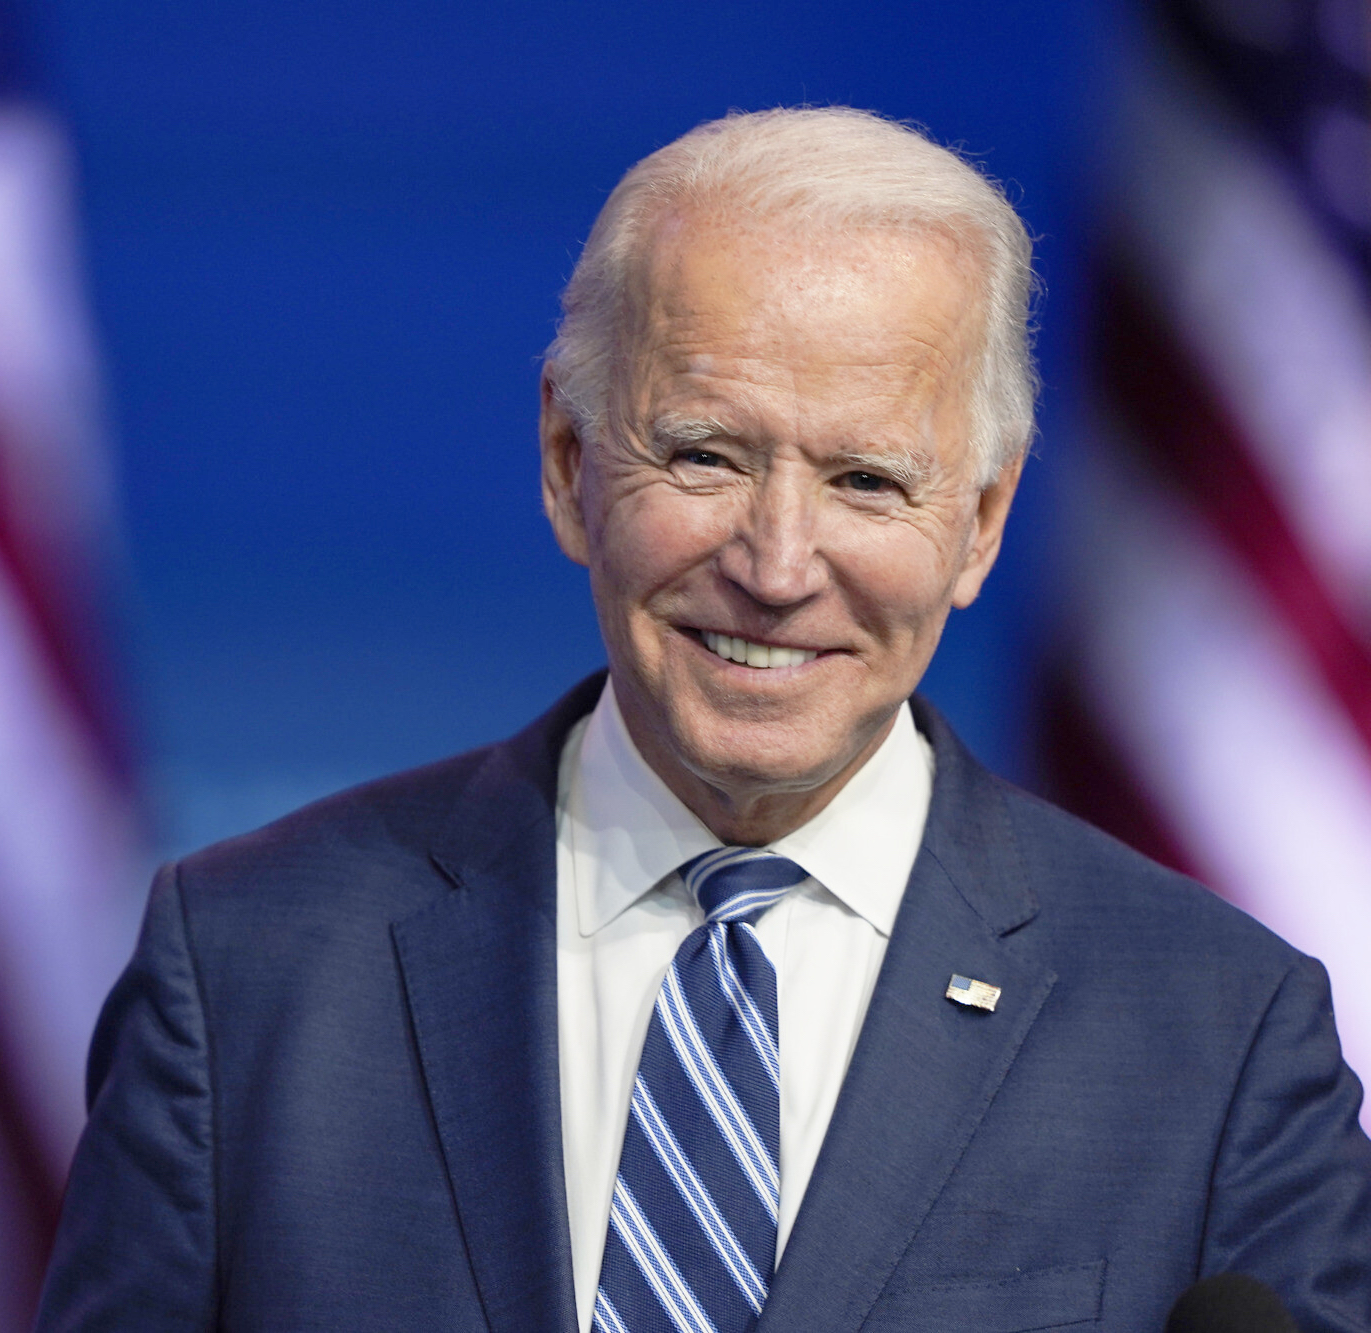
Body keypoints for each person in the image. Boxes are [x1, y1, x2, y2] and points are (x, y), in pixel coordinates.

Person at [36, 108, 1371, 1332]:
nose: (779, 564)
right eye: (707, 456)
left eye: (865, 479)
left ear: (978, 524)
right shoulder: (248, 976)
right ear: (570, 464)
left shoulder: (1219, 1035)